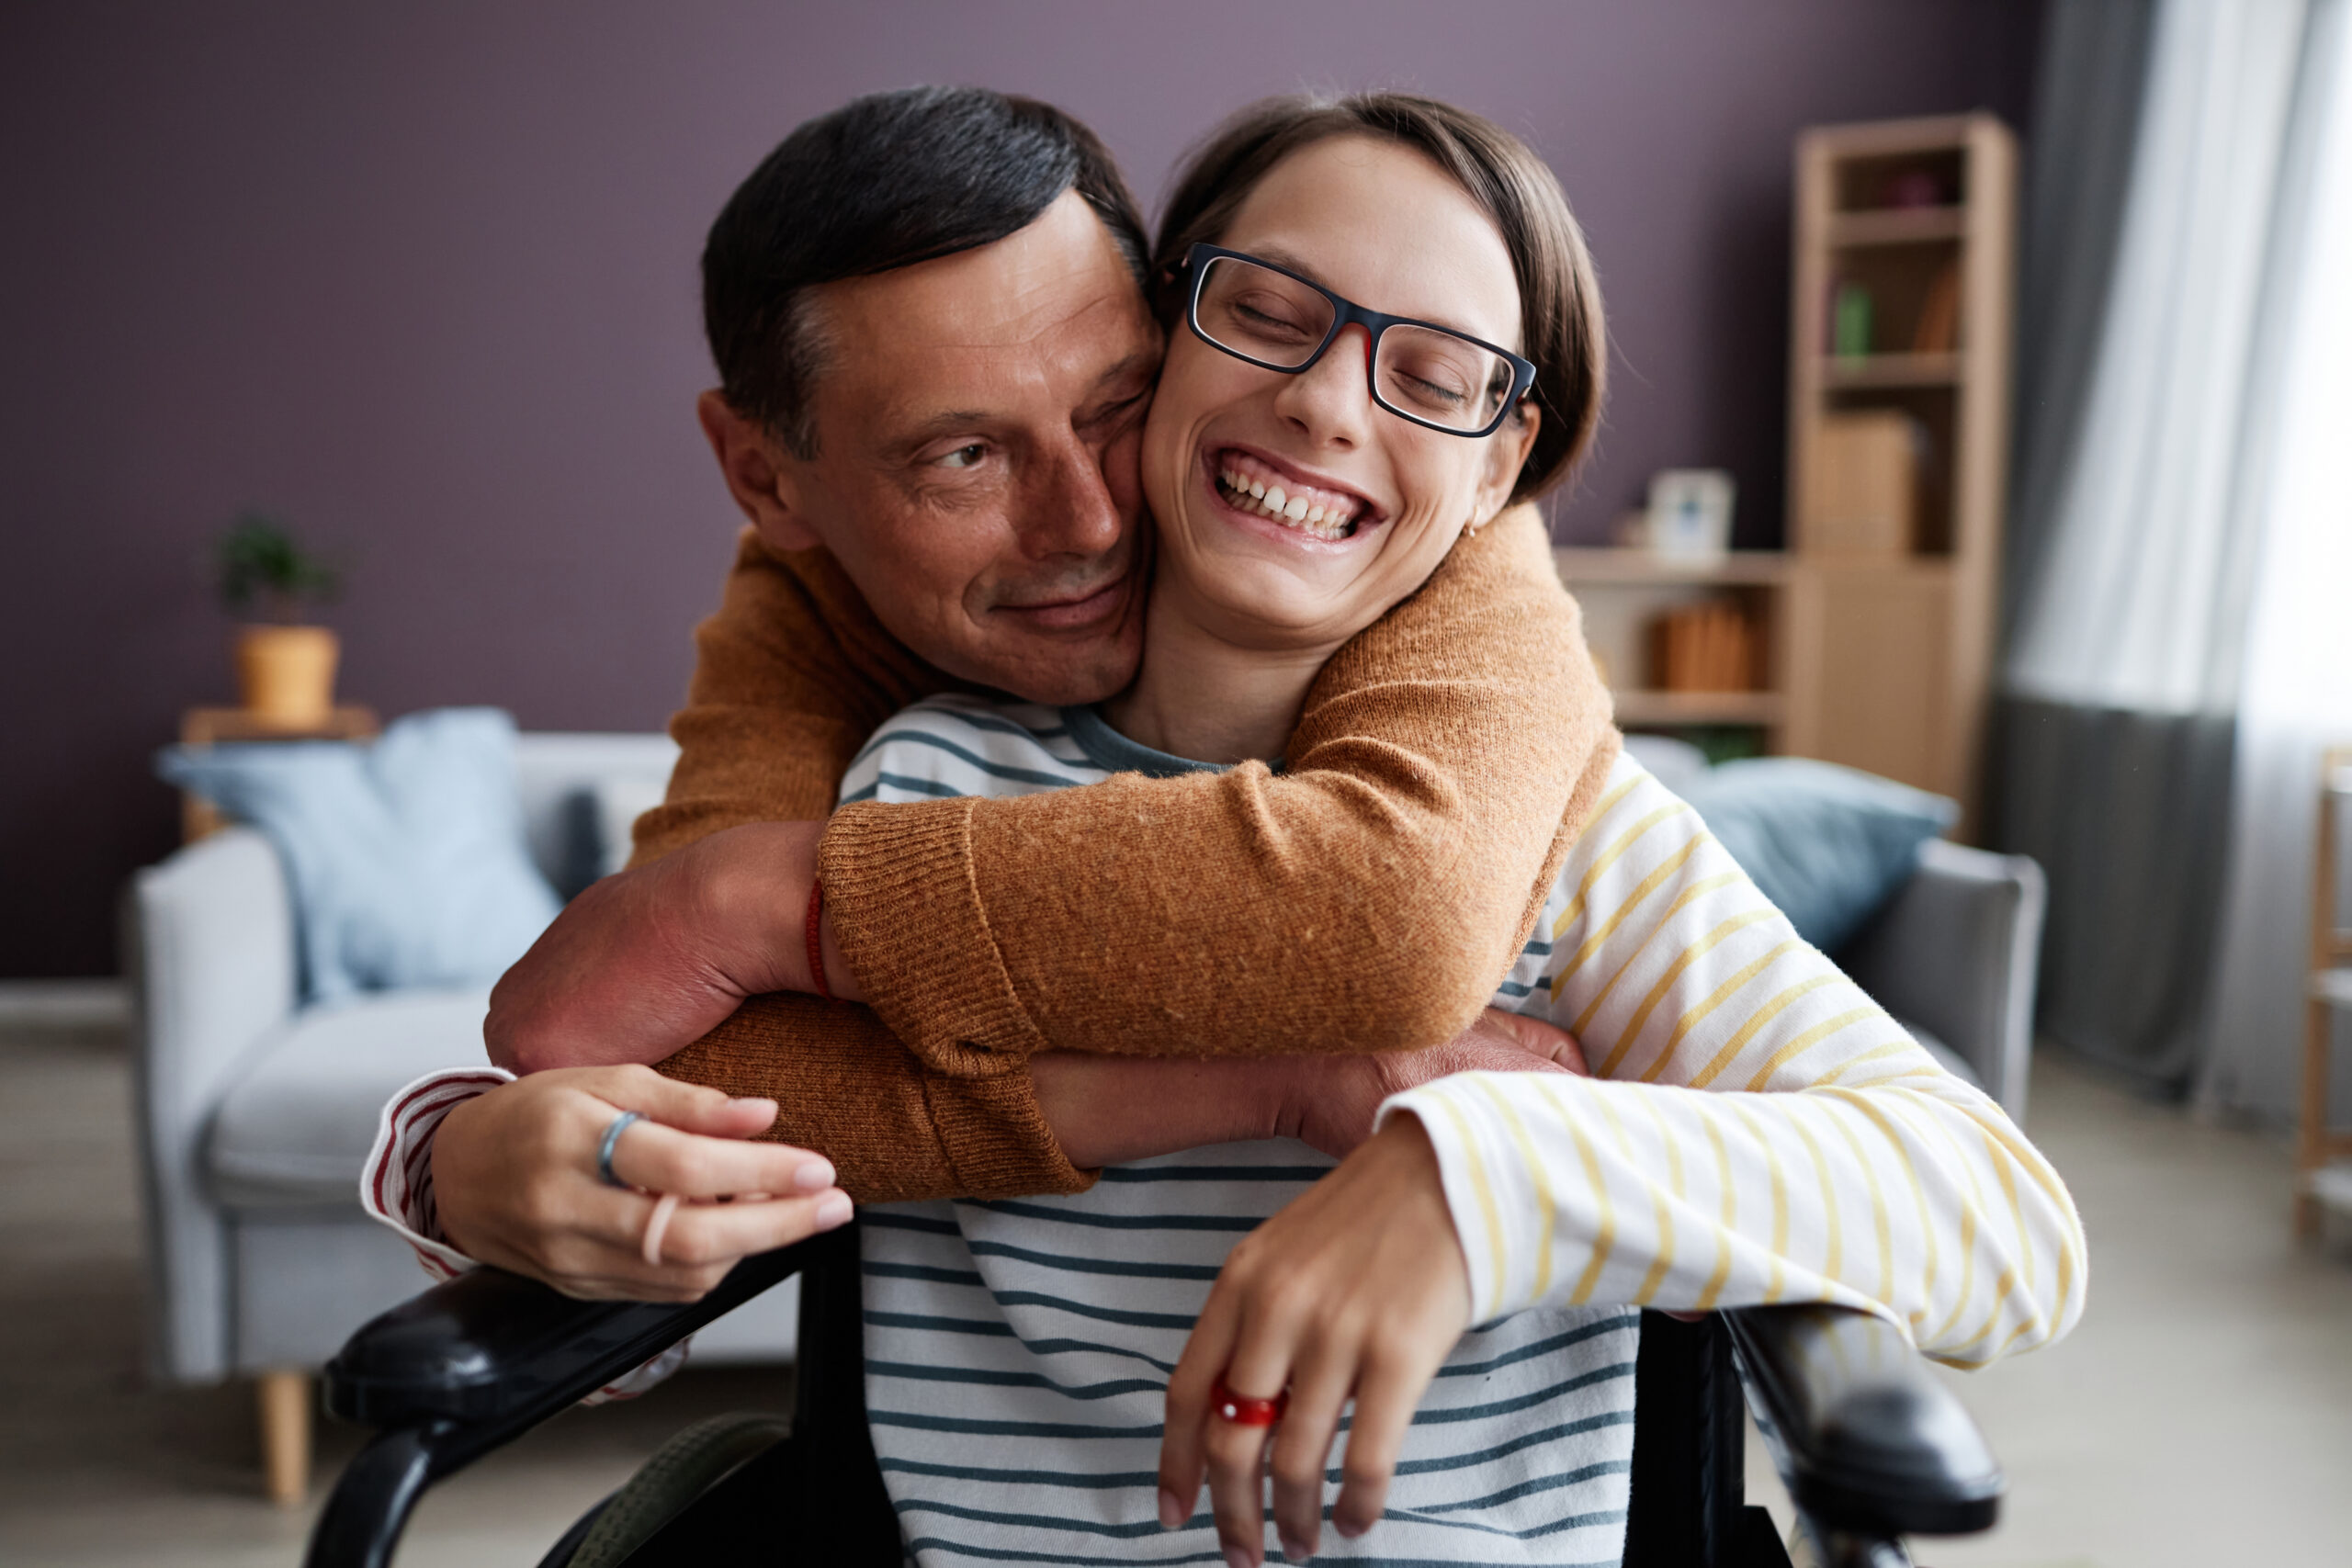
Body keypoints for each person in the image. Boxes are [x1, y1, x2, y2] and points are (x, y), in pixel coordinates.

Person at [373, 92, 2086, 1567]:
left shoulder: (1560, 827)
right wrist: (467, 1152)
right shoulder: (902, 778)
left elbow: (2002, 1216)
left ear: (1504, 471)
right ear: (1184, 318)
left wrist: (1477, 1173)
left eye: (1437, 375)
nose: (1337, 404)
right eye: (1270, 310)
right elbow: (637, 1073)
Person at [398, 85, 1620, 1301]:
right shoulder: (803, 602)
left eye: (1117, 407)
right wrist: (1276, 1087)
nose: (1088, 523)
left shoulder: (1456, 529)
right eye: (963, 457)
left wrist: (759, 903)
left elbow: (1398, 914)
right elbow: (685, 1065)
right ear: (766, 480)